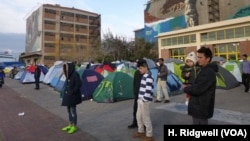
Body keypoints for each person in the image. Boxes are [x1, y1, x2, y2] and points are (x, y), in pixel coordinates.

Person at [183, 46, 217, 125]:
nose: (198, 59)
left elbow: (197, 89)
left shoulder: (207, 72)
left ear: (208, 59)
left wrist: (186, 88)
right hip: (199, 106)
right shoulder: (203, 69)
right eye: (198, 57)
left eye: (201, 57)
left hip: (201, 107)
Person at [132, 60, 154, 141]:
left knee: (146, 118)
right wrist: (139, 99)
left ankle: (149, 135)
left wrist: (143, 100)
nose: (139, 70)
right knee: (139, 117)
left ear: (145, 67)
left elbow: (148, 91)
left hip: (145, 101)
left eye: (141, 68)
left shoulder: (149, 77)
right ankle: (141, 131)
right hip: (140, 100)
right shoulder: (144, 75)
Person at [61, 62, 82, 134]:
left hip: (73, 96)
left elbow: (79, 84)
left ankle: (74, 126)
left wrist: (73, 91)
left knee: (73, 111)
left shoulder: (75, 74)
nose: (65, 70)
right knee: (69, 111)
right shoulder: (68, 75)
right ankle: (70, 124)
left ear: (69, 68)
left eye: (65, 68)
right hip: (68, 96)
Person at [128, 59, 143, 129]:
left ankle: (143, 125)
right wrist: (134, 91)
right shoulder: (136, 72)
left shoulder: (145, 73)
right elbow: (134, 82)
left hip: (142, 95)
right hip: (137, 94)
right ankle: (135, 122)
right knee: (135, 109)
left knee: (143, 111)